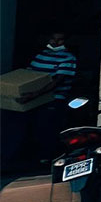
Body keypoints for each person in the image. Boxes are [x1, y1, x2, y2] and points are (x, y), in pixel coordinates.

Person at [27, 30, 77, 161]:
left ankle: (47, 157)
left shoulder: (68, 58)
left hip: (54, 99)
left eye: (59, 40)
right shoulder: (41, 55)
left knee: (47, 128)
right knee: (36, 128)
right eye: (53, 39)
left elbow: (57, 81)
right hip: (36, 99)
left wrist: (35, 94)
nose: (55, 42)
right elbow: (29, 76)